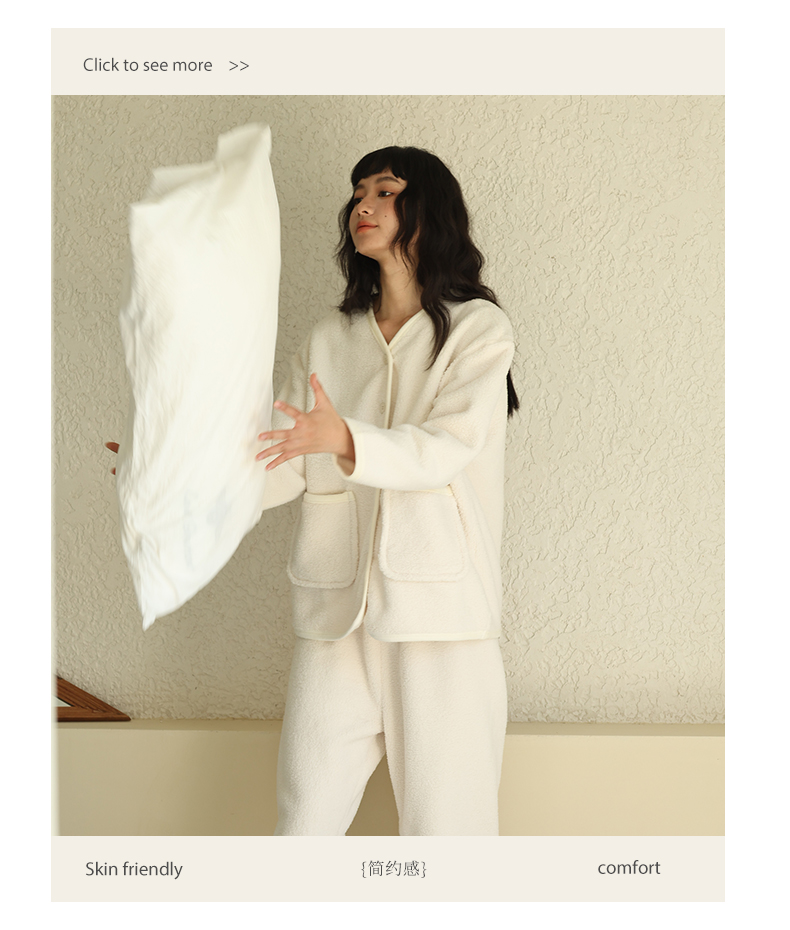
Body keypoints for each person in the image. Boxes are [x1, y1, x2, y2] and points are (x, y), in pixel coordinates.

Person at [109, 145, 519, 836]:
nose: (363, 205)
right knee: (302, 830)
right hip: (336, 619)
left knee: (451, 834)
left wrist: (344, 439)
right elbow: (279, 460)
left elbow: (447, 448)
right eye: (358, 192)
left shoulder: (478, 328)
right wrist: (166, 473)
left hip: (442, 619)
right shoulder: (332, 336)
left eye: (385, 190)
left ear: (430, 209)